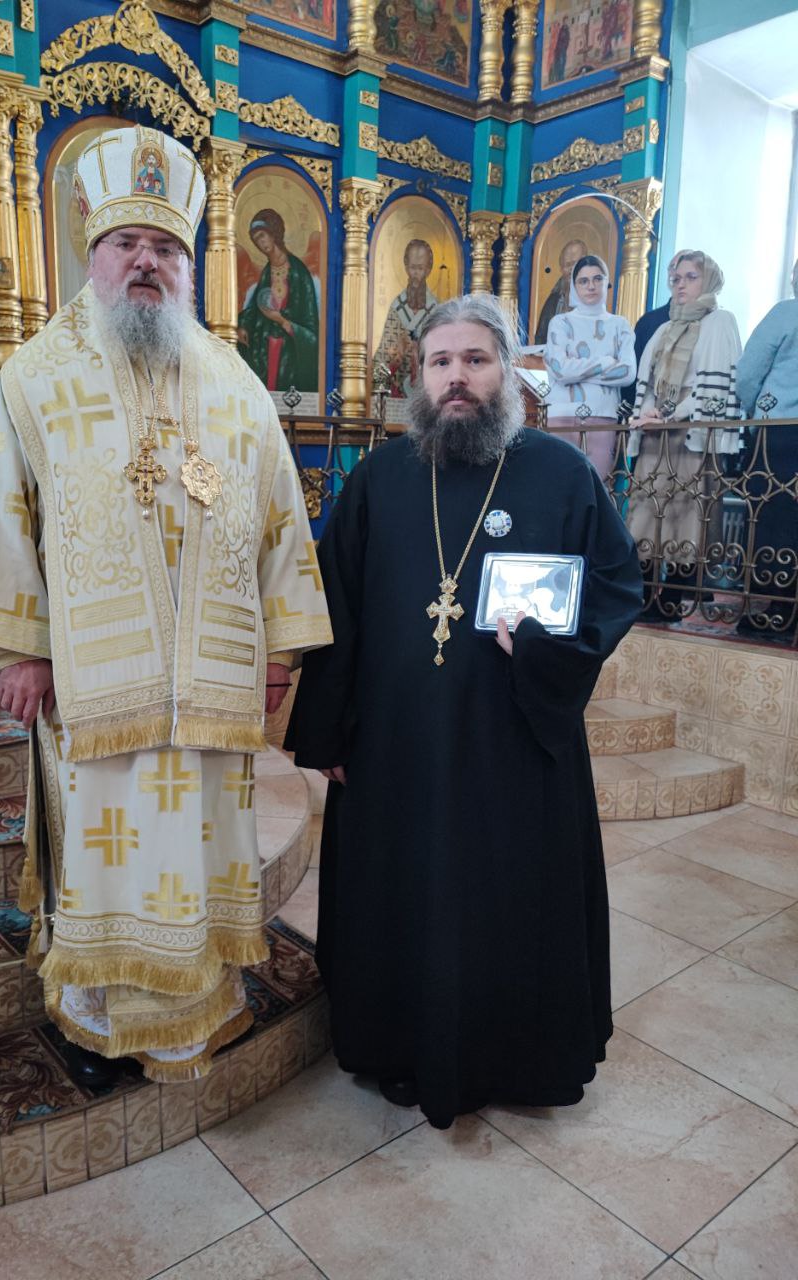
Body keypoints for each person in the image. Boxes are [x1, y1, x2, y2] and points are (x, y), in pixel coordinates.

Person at [0, 125, 333, 1083]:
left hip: (213, 678)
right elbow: (0, 515)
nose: (147, 262)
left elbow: (279, 518)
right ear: (94, 252)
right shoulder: (37, 376)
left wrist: (280, 650)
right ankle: (98, 1018)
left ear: (189, 264)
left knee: (198, 848)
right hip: (93, 678)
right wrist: (21, 649)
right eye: (128, 243)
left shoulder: (235, 384)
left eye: (166, 246)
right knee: (107, 853)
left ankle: (196, 1010)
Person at [285, 293, 643, 1129]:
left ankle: (511, 1055)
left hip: (512, 739)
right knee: (404, 892)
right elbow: (336, 607)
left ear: (507, 370)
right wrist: (329, 728)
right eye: (439, 361)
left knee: (505, 897)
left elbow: (617, 585)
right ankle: (398, 1043)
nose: (456, 377)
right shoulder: (379, 478)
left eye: (475, 360)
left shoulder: (560, 474)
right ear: (419, 375)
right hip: (396, 741)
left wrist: (550, 654)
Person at [625, 250, 741, 617]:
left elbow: (713, 387)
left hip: (690, 435)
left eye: (691, 277)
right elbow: (647, 382)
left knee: (686, 515)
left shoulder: (719, 322)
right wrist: (648, 411)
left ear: (708, 281)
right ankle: (645, 596)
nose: (681, 285)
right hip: (656, 436)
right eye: (676, 278)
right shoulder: (664, 328)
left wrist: (671, 414)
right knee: (646, 512)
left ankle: (673, 598)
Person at [735, 259, 798, 631]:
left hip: (778, 432)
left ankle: (770, 610)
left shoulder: (786, 312)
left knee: (770, 517)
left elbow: (748, 372)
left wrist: (752, 410)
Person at [544, 254, 636, 480]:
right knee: (559, 484)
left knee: (597, 485)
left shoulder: (620, 325)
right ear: (574, 286)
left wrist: (576, 370)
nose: (591, 286)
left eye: (597, 279)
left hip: (603, 415)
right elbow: (560, 370)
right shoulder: (560, 322)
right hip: (561, 414)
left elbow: (627, 372)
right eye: (583, 281)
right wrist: (605, 362)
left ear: (607, 282)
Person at [237, 208, 320, 394]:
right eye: (256, 240)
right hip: (264, 350)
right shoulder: (267, 273)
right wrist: (243, 326)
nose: (260, 243)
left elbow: (311, 326)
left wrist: (281, 321)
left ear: (273, 233)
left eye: (262, 236)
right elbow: (255, 309)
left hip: (289, 352)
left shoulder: (298, 272)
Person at [372, 239, 439, 398]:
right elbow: (381, 356)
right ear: (406, 267)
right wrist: (396, 354)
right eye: (412, 268)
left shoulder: (436, 310)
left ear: (428, 270)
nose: (415, 274)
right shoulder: (396, 307)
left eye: (420, 268)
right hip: (395, 392)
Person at [533, 237, 587, 344]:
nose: (571, 269)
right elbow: (541, 338)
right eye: (567, 265)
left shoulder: (594, 298)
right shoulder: (554, 300)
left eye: (575, 263)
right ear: (561, 269)